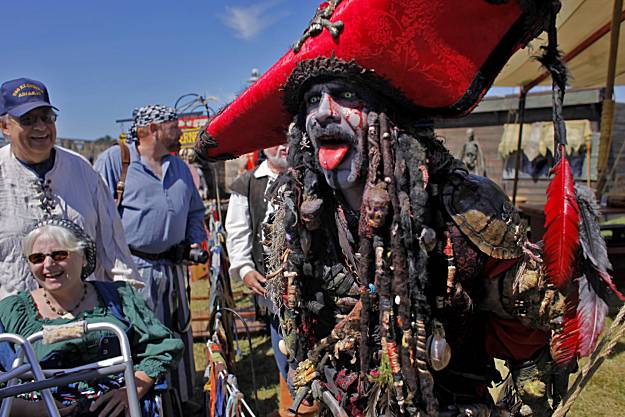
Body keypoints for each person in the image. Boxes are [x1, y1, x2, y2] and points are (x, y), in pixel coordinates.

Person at [194, 1, 621, 416]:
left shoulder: (462, 209)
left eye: (344, 95)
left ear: (388, 115)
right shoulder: (299, 213)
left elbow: (531, 331)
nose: (323, 113)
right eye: (311, 101)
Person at [0, 217, 183, 417]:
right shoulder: (11, 311)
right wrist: (28, 409)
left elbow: (161, 346)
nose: (49, 264)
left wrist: (130, 392)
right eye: (37, 258)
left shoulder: (118, 297)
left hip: (114, 409)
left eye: (60, 255)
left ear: (84, 257)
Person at [94, 104, 207, 404]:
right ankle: (143, 403)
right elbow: (95, 213)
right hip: (132, 270)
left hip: (173, 268)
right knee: (142, 340)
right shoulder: (116, 160)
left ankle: (182, 401)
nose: (180, 131)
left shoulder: (179, 166)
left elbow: (195, 211)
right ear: (154, 129)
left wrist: (194, 242)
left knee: (178, 335)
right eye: (174, 126)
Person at [0, 77, 138, 300]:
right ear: (5, 127)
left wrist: (129, 299)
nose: (41, 127)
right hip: (14, 314)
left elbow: (112, 245)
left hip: (86, 312)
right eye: (28, 120)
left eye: (47, 117)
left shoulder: (82, 170)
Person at [226, 144, 316, 416]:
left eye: (286, 137)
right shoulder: (248, 184)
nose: (283, 145)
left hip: (315, 286)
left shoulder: (311, 174)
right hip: (273, 290)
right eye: (275, 140)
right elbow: (237, 232)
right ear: (263, 146)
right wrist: (244, 268)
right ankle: (299, 405)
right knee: (287, 353)